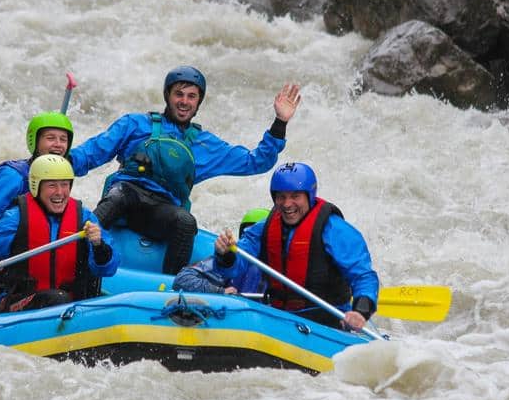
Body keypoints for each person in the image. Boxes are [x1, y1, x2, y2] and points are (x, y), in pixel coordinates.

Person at [69, 65, 301, 274]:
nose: (184, 101)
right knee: (116, 199)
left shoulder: (204, 144)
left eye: (191, 96)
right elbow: (93, 151)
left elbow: (256, 161)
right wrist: (63, 162)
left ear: (198, 102)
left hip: (161, 211)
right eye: (178, 94)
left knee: (186, 222)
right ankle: (77, 266)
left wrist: (280, 123)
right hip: (126, 196)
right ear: (167, 96)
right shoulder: (136, 124)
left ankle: (173, 289)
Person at [0, 154, 119, 314]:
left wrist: (99, 246)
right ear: (36, 186)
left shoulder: (85, 218)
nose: (59, 192)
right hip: (23, 301)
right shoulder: (15, 218)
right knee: (58, 299)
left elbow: (108, 268)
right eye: (52, 185)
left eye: (65, 185)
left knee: (70, 299)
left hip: (72, 304)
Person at [212, 163, 379, 332]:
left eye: (295, 196)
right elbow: (235, 266)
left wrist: (361, 311)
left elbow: (363, 276)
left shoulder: (335, 230)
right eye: (281, 197)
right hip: (280, 316)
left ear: (309, 195)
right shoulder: (265, 228)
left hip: (325, 320)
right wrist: (225, 255)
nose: (287, 204)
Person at [0, 111, 75, 260]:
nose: (58, 145)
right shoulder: (12, 176)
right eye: (50, 138)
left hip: (29, 256)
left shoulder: (61, 175)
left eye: (63, 139)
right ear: (35, 141)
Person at [172, 208, 270, 295]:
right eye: (247, 235)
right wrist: (218, 291)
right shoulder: (228, 262)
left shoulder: (277, 268)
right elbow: (182, 279)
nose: (252, 241)